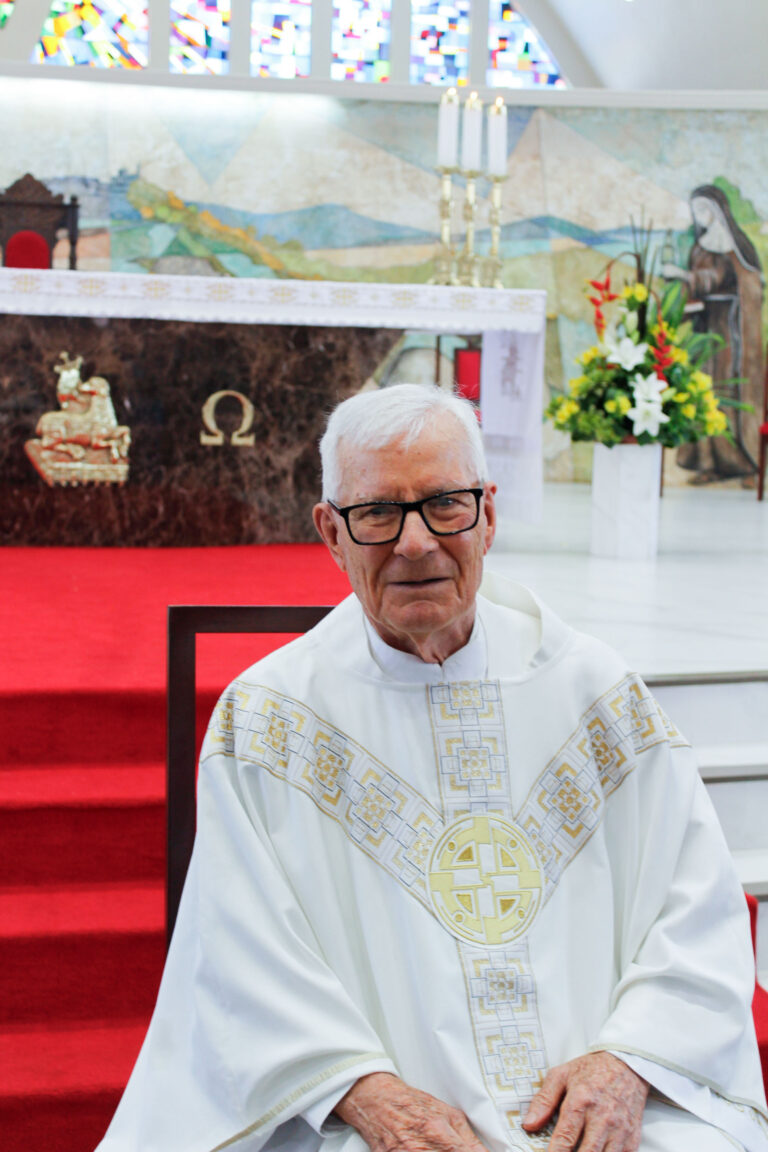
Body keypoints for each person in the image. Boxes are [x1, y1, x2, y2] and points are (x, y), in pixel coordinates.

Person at [97, 384, 768, 1152]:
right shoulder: (268, 724)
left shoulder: (596, 695)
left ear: (487, 514)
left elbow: (698, 905)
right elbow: (237, 952)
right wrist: (359, 1088)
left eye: (444, 504)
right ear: (330, 532)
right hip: (373, 1113)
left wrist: (627, 1059)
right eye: (378, 512)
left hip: (596, 1106)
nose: (415, 542)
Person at [662, 183, 764, 484]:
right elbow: (700, 283)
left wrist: (684, 276)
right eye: (696, 211)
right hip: (704, 327)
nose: (700, 216)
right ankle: (711, 461)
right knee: (703, 391)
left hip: (729, 331)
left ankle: (746, 462)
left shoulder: (734, 246)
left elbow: (723, 278)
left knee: (728, 389)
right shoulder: (701, 245)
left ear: (719, 211)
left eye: (705, 209)